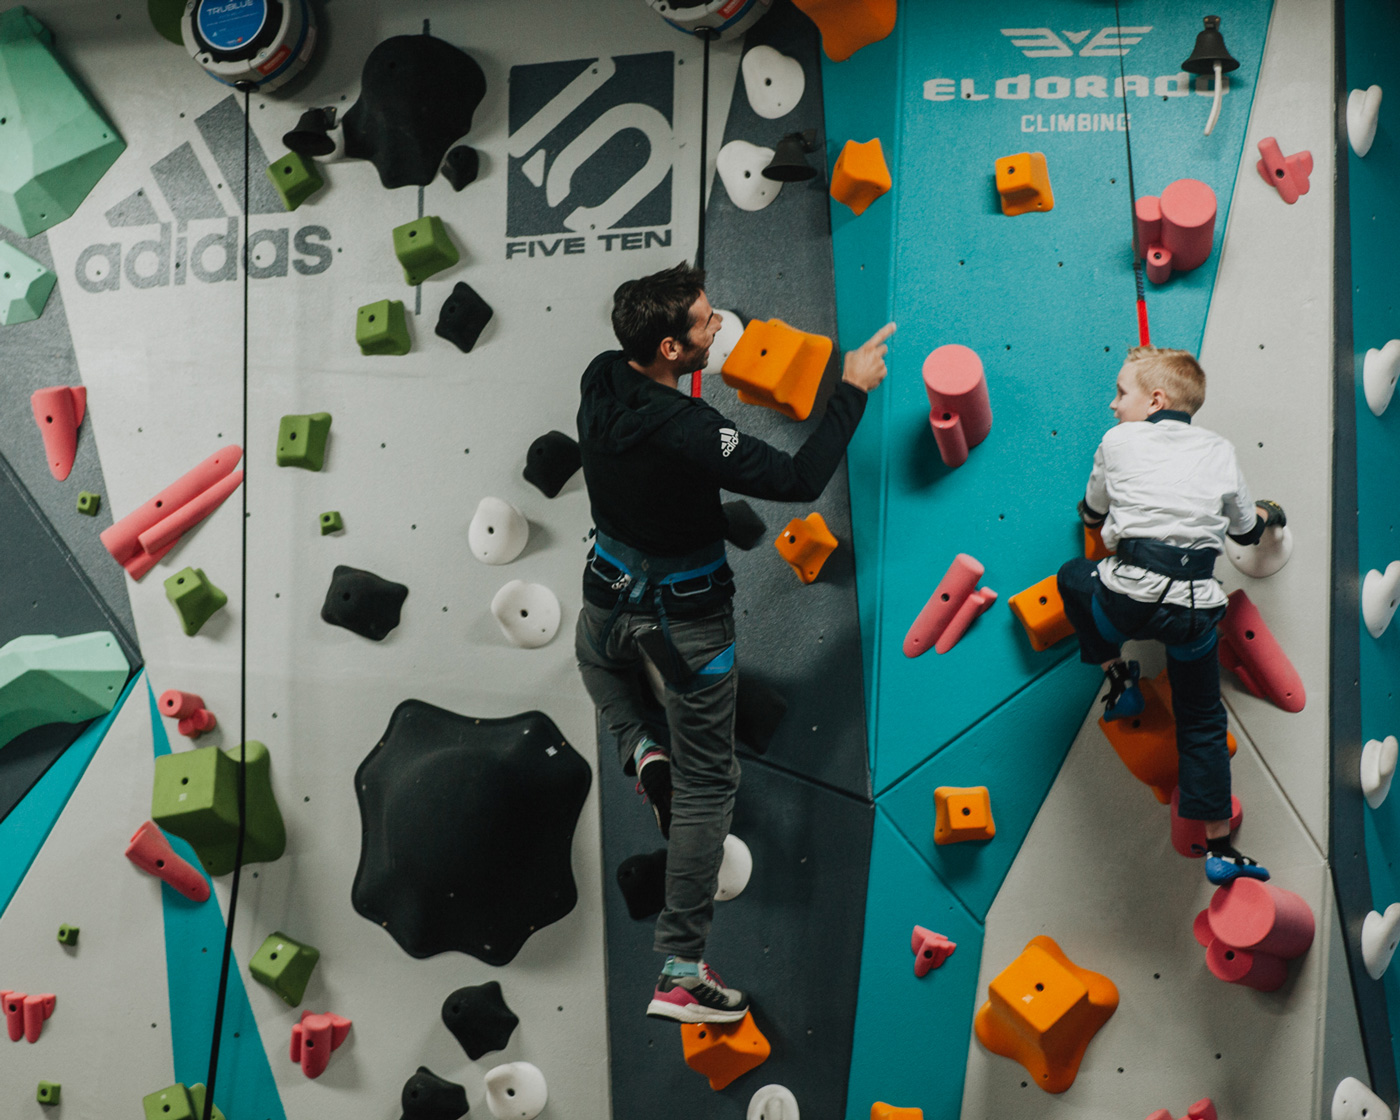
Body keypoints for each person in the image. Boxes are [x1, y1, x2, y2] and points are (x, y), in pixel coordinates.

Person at [574, 261, 894, 1023]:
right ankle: (682, 969)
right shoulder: (691, 429)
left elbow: (654, 472)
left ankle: (643, 753)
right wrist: (851, 388)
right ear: (673, 350)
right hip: (686, 626)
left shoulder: (600, 376)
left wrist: (703, 506)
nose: (721, 328)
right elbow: (797, 477)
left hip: (608, 596)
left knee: (598, 664)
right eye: (708, 324)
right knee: (710, 788)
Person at [1056, 345, 1286, 886]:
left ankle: (1118, 676)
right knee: (1204, 722)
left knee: (1071, 576)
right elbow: (1245, 530)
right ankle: (1221, 847)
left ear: (1155, 398)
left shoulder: (1116, 441)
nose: (1113, 406)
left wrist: (1103, 513)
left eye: (1121, 392)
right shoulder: (1222, 450)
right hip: (1193, 611)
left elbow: (1090, 511)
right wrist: (1272, 514)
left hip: (1131, 599)